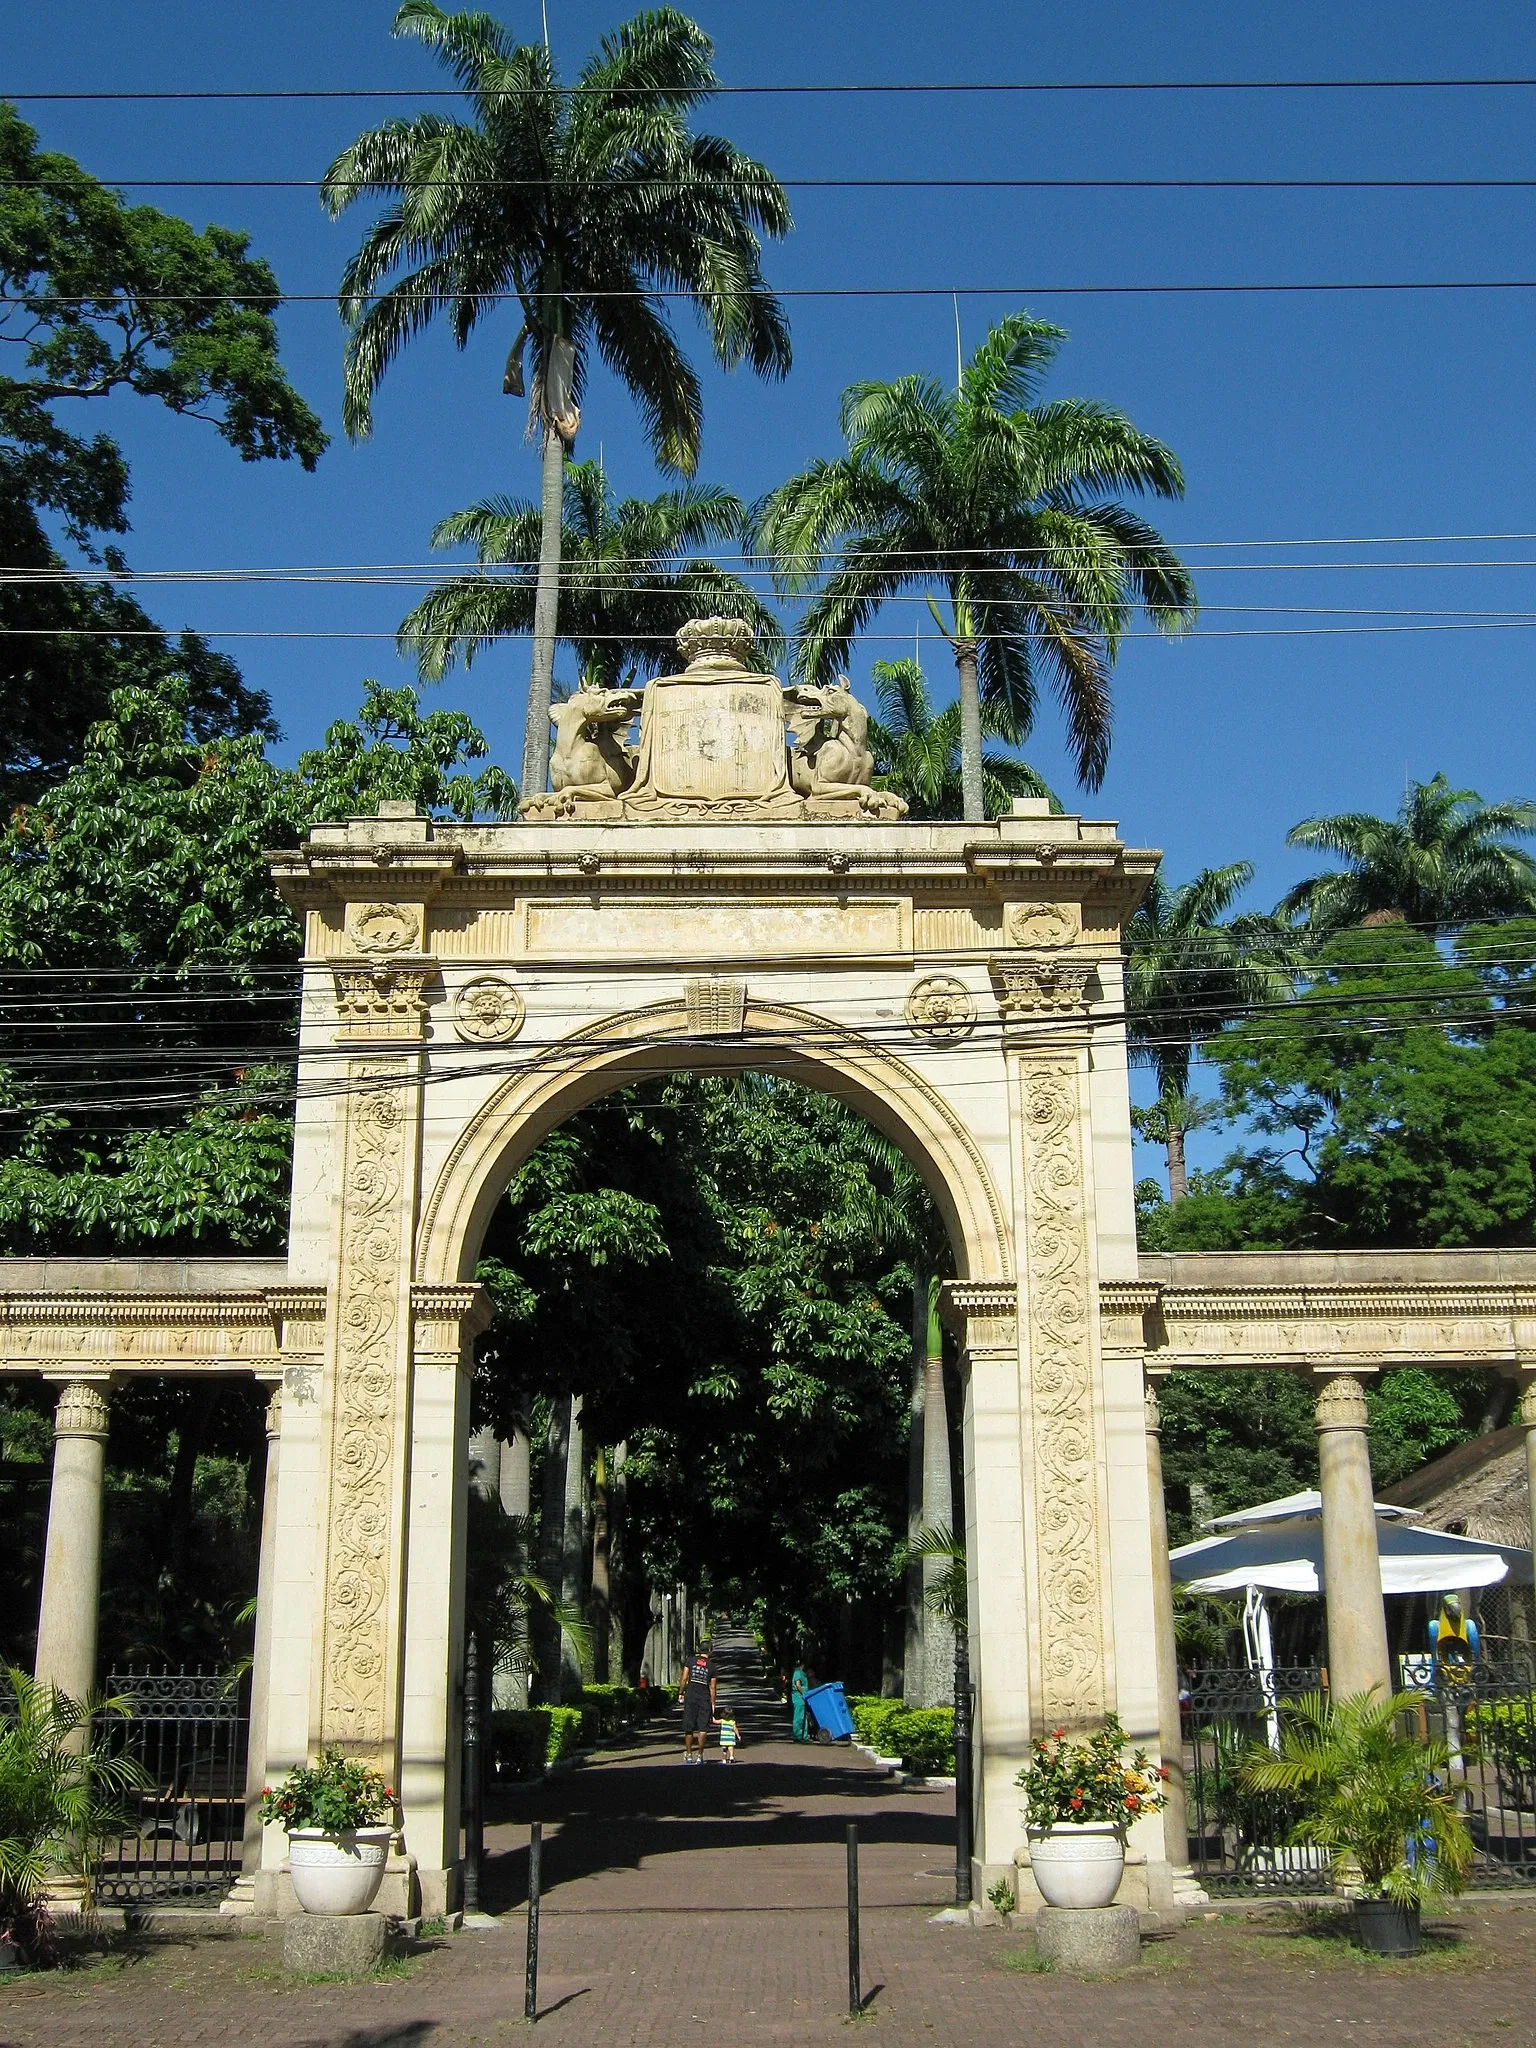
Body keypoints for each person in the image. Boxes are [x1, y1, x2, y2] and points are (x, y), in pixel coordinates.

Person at [679, 1644, 717, 1764]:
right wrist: (713, 1703)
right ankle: (700, 1755)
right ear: (710, 1651)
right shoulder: (712, 1667)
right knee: (703, 1728)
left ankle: (689, 1754)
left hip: (690, 1697)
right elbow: (713, 1687)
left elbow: (684, 1678)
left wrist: (680, 1692)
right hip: (704, 1699)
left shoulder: (690, 1661)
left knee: (688, 1727)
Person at [790, 1659, 811, 1743]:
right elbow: (798, 1685)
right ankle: (799, 1735)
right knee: (799, 1717)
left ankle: (802, 1735)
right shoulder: (798, 1673)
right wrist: (804, 1693)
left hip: (801, 1698)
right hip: (799, 1697)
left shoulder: (800, 1673)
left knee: (802, 1716)